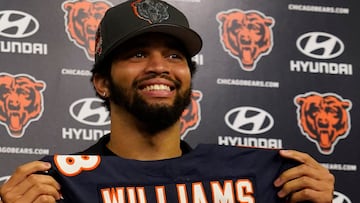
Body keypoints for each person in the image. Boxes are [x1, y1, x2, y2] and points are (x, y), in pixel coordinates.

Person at [0, 0, 334, 202]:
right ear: (102, 83)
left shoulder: (254, 177)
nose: (159, 67)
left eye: (175, 55)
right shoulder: (55, 188)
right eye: (138, 53)